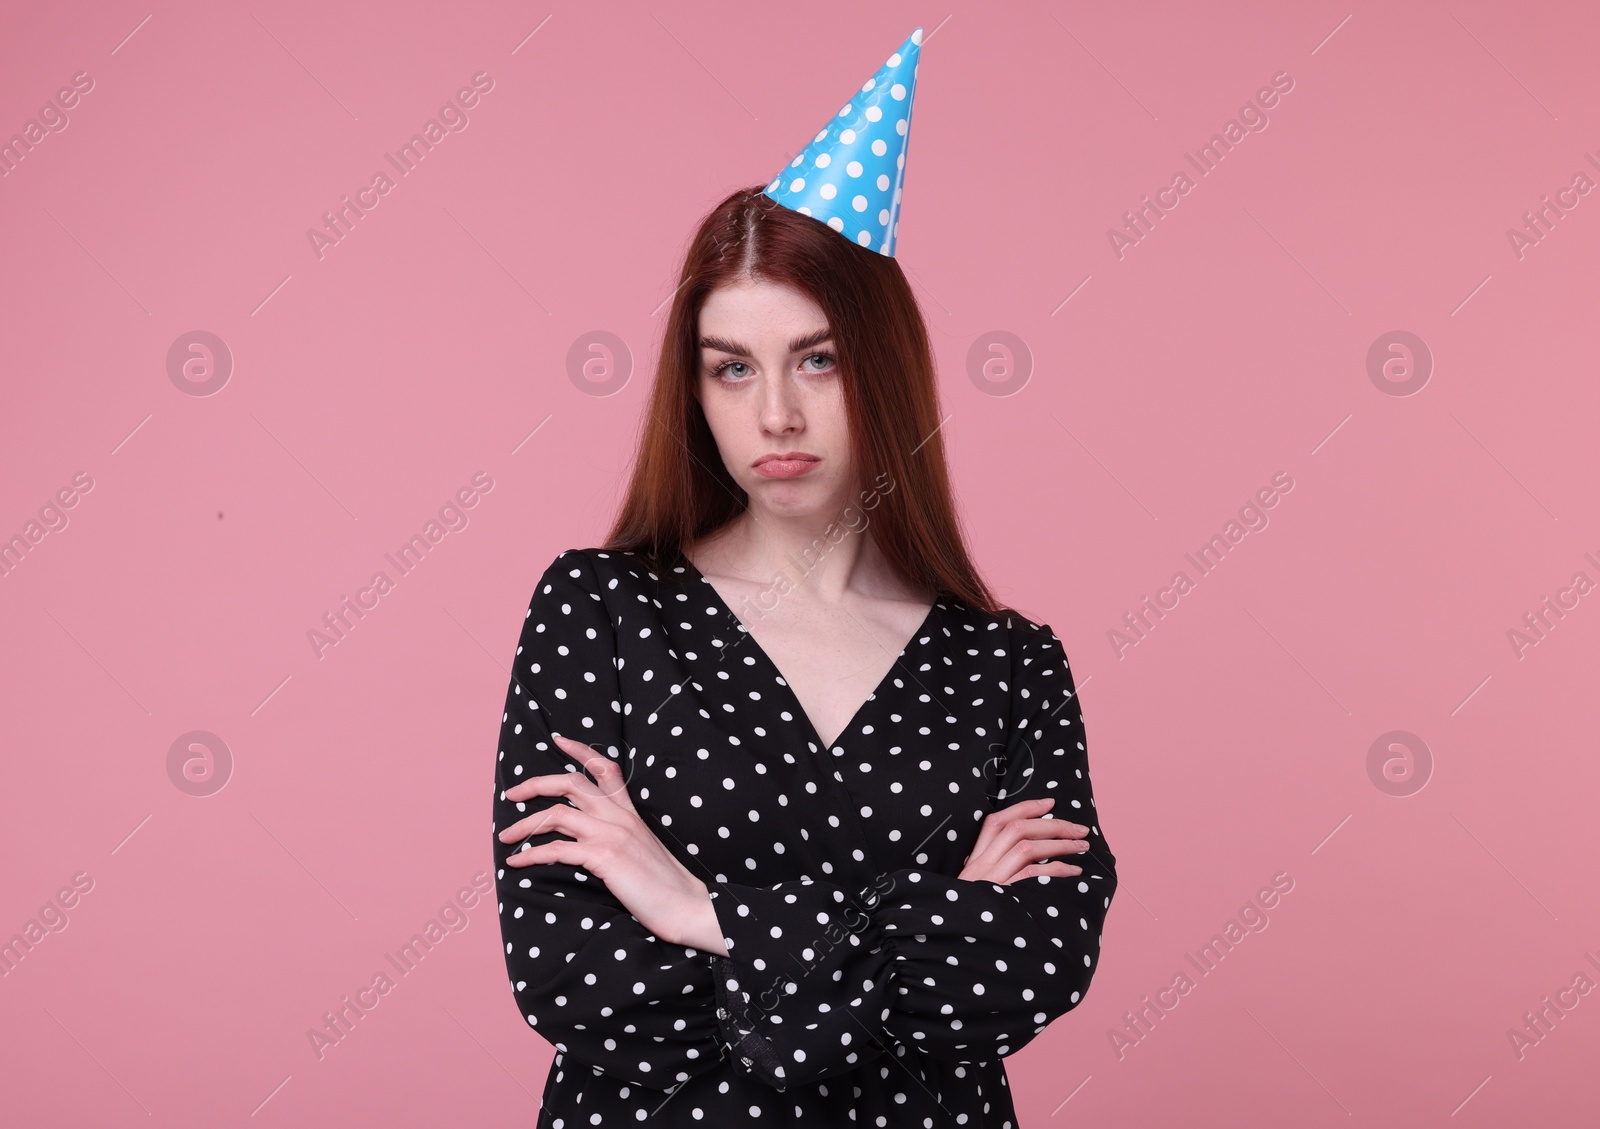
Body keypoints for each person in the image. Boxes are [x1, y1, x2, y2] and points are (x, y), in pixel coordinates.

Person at [491, 29, 1116, 1127]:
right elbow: (570, 976)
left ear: (882, 365)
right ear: (694, 391)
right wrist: (930, 922)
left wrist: (697, 909)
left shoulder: (1008, 666)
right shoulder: (601, 612)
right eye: (733, 367)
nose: (775, 413)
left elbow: (1033, 968)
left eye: (815, 358)